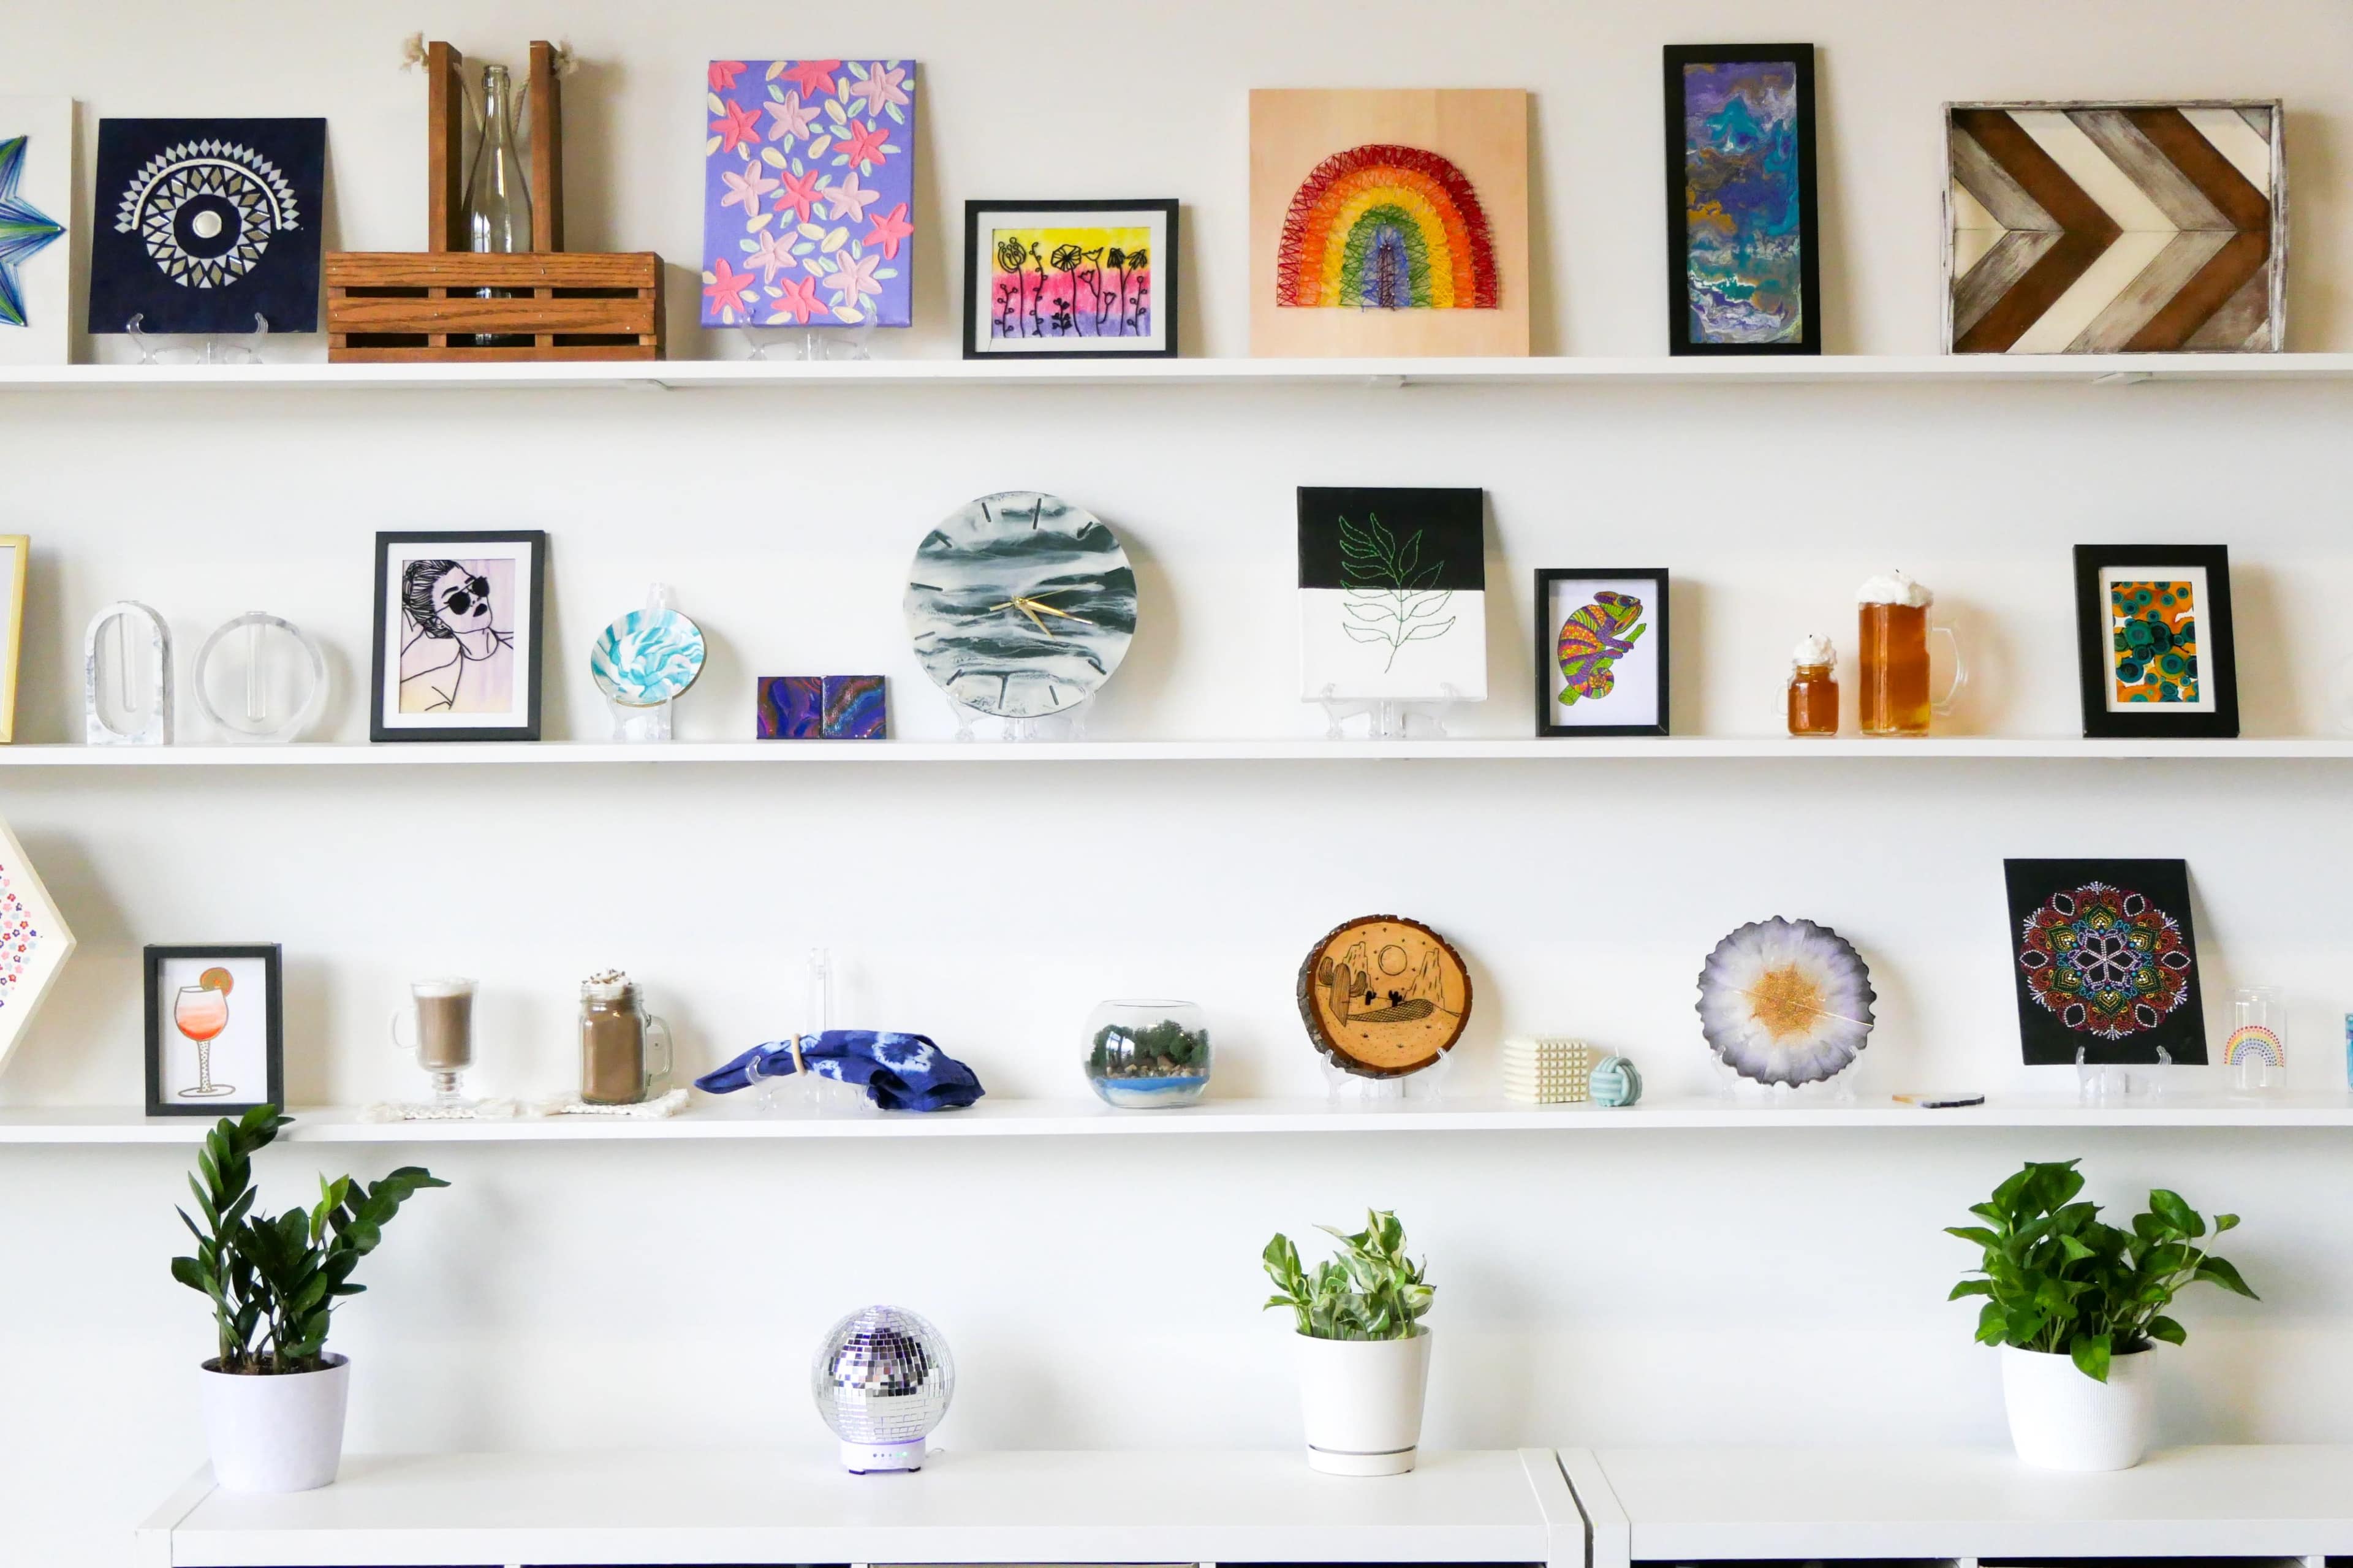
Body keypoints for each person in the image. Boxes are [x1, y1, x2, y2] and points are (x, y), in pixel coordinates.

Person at [398, 559, 512, 712]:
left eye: (475, 586)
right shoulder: (438, 690)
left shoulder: (525, 645)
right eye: (458, 600)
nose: (475, 598)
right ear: (438, 622)